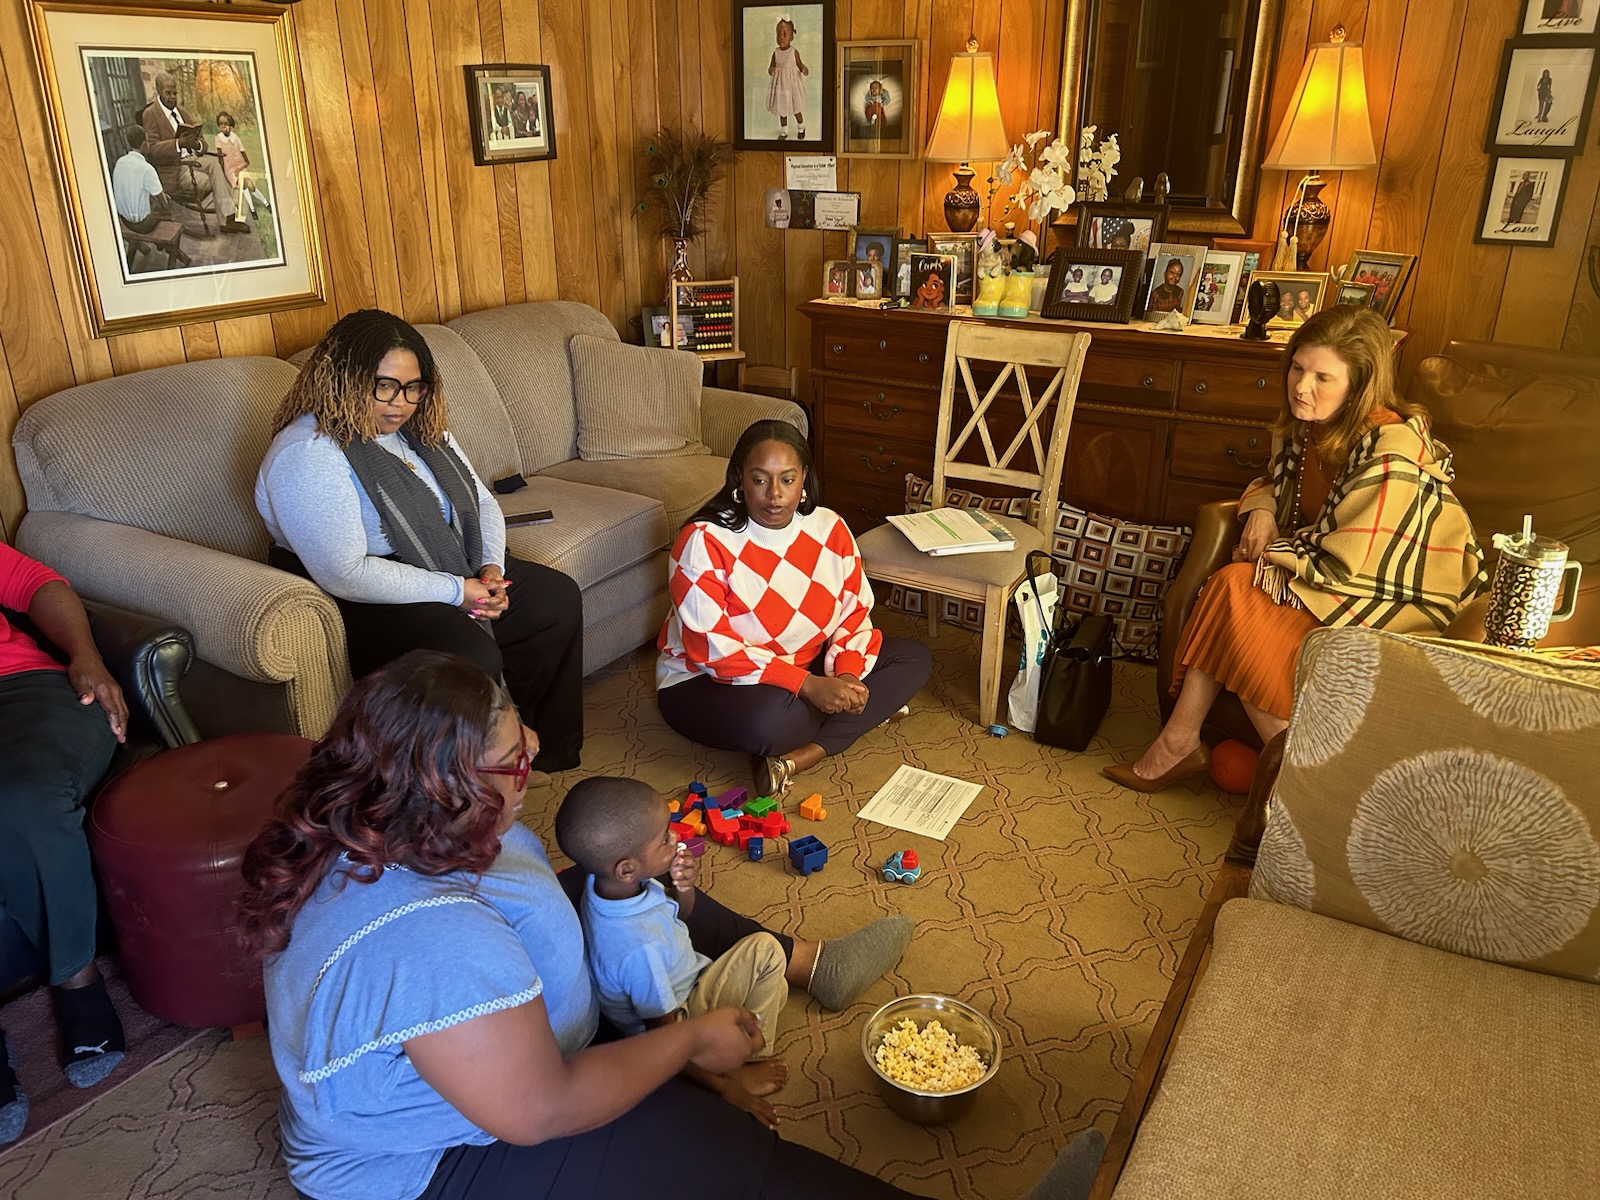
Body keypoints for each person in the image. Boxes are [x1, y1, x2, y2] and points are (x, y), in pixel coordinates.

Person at [239, 651, 1108, 1200]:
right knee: (726, 1159)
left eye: (520, 726)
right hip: (433, 1165)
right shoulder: (437, 945)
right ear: (446, 792)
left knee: (630, 871)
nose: (533, 756)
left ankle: (810, 960)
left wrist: (658, 894)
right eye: (515, 759)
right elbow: (543, 1109)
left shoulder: (364, 821)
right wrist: (685, 1047)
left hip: (491, 1033)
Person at [1104, 306, 1486, 792]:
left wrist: (1269, 560)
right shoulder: (1306, 427)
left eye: (1323, 376)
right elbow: (1275, 482)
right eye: (1298, 368)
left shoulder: (1391, 447)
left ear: (1359, 384)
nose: (1302, 386)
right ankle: (1197, 749)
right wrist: (1262, 509)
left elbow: (1347, 562)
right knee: (1232, 587)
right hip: (1332, 578)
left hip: (1393, 598)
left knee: (1233, 588)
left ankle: (1299, 785)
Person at [255, 308, 584, 772]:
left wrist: (492, 569)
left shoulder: (422, 429)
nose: (400, 403)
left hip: (444, 558)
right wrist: (458, 591)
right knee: (468, 652)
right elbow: (344, 572)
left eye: (413, 387)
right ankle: (472, 781)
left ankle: (542, 752)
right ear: (343, 378)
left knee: (555, 599)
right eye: (383, 385)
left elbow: (481, 502)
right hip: (363, 598)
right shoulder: (309, 453)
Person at [656, 421, 932, 799]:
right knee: (770, 724)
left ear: (804, 478)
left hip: (803, 666)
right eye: (759, 480)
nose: (775, 495)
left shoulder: (830, 528)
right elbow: (711, 649)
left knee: (913, 659)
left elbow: (853, 612)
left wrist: (848, 675)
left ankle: (802, 756)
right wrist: (809, 686)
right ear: (739, 478)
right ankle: (835, 726)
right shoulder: (703, 540)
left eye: (787, 480)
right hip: (703, 682)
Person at [555, 776, 788, 1126]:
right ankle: (737, 1061)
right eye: (664, 838)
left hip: (686, 981)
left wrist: (683, 888)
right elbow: (663, 1035)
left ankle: (739, 1037)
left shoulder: (609, 886)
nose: (676, 838)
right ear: (627, 867)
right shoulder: (638, 948)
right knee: (768, 950)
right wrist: (722, 1087)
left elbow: (684, 914)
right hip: (681, 1017)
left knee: (777, 982)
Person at [1, 543, 132, 1144]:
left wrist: (85, 656)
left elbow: (35, 584)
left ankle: (77, 982)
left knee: (24, 801)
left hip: (24, 692)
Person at [138, 72, 249, 233]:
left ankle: (228, 220)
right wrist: (178, 143)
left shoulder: (182, 113)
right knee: (218, 180)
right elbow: (152, 150)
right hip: (175, 169)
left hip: (194, 159)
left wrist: (195, 144)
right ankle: (228, 218)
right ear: (158, 91)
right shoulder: (150, 114)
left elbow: (202, 143)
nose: (172, 97)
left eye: (175, 93)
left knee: (216, 165)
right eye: (167, 93)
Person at [213, 112, 270, 219]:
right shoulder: (218, 138)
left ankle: (266, 203)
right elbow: (220, 158)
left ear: (231, 126)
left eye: (226, 124)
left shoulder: (236, 139)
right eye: (221, 124)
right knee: (243, 183)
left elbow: (246, 161)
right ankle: (253, 210)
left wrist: (240, 169)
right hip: (230, 170)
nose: (223, 127)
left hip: (240, 167)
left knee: (250, 185)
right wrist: (223, 175)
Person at [110, 125, 165, 234]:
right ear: (144, 144)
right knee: (165, 202)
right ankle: (163, 238)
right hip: (142, 224)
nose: (149, 145)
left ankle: (142, 245)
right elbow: (162, 200)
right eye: (148, 141)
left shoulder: (120, 162)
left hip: (124, 219)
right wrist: (165, 205)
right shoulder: (147, 168)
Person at [766, 18, 810, 139]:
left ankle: (801, 127)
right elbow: (771, 66)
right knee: (782, 110)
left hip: (792, 86)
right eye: (778, 34)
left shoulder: (793, 52)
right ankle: (784, 131)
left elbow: (800, 64)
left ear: (792, 36)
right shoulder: (775, 53)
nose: (781, 37)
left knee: (796, 108)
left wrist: (804, 69)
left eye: (785, 34)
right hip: (780, 86)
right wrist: (771, 70)